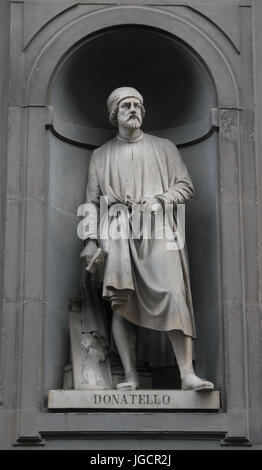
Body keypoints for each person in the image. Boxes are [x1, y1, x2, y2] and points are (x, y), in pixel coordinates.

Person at [81, 87, 214, 391]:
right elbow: (91, 201)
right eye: (126, 105)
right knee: (121, 300)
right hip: (118, 230)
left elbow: (185, 187)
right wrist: (89, 239)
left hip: (159, 227)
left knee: (173, 293)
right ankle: (130, 376)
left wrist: (160, 200)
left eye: (138, 104)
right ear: (115, 113)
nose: (133, 109)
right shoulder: (100, 155)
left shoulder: (164, 147)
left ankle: (185, 373)